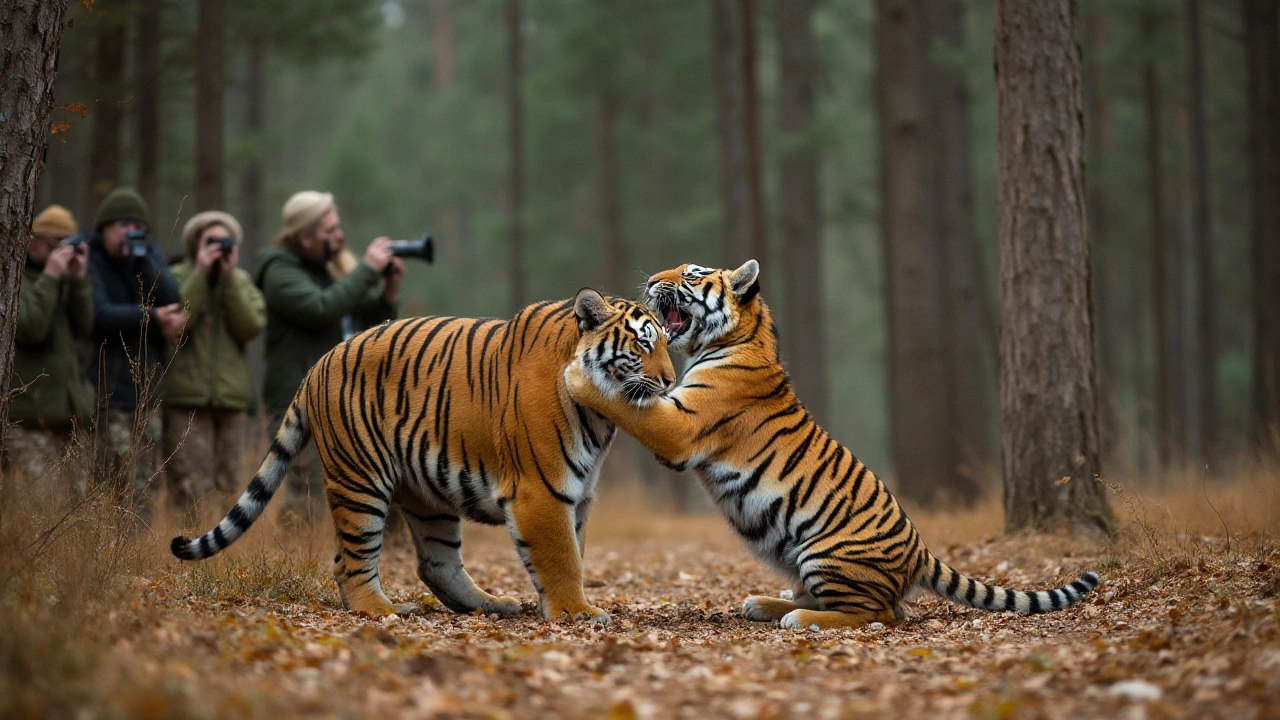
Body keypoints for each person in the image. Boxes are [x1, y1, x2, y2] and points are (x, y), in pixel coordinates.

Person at [256, 190, 403, 518]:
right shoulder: (279, 270)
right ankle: (295, 562)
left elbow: (363, 323)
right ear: (305, 236)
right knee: (307, 490)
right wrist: (366, 271)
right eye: (330, 231)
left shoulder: (323, 269)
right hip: (297, 395)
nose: (339, 236)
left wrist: (388, 289)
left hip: (337, 395)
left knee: (357, 482)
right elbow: (321, 308)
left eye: (338, 227)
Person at [163, 211, 267, 521]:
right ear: (195, 244)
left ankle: (226, 557)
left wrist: (229, 280)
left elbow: (252, 326)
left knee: (231, 483)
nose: (218, 248)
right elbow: (177, 325)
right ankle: (188, 549)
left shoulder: (240, 280)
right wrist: (200, 274)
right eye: (211, 242)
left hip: (230, 399)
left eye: (224, 242)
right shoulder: (177, 275)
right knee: (190, 484)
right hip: (186, 399)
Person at [87, 186, 183, 509]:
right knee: (110, 480)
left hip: (148, 394)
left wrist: (143, 259)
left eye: (139, 227)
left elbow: (174, 299)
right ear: (104, 227)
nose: (132, 233)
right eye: (124, 225)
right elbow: (98, 315)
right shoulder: (91, 258)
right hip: (106, 393)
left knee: (146, 483)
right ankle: (105, 555)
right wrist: (151, 316)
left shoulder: (147, 256)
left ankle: (137, 556)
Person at [7, 205, 95, 491]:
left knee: (78, 507)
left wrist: (79, 279)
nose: (62, 250)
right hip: (30, 417)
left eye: (68, 242)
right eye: (54, 242)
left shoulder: (64, 281)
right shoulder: (16, 279)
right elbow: (31, 328)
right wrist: (51, 275)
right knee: (41, 505)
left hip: (71, 415)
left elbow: (85, 329)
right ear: (31, 240)